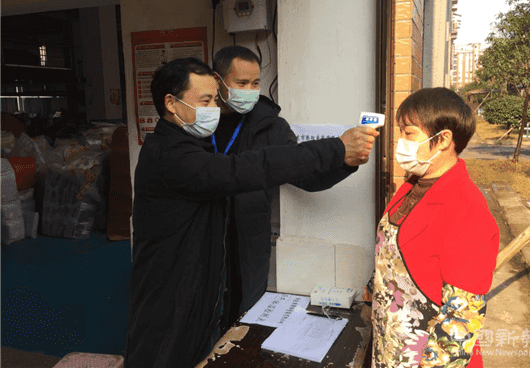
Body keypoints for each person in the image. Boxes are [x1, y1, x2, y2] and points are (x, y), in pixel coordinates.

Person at [124, 57, 379, 368]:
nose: (214, 108)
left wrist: (343, 160)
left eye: (214, 100)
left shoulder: (213, 137)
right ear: (171, 103)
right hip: (173, 292)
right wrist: (335, 148)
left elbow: (288, 170)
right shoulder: (171, 155)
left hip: (218, 275)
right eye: (205, 100)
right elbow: (243, 170)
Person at [211, 45, 372, 331]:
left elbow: (306, 176)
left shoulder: (271, 127)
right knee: (205, 316)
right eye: (242, 83)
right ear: (218, 81)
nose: (250, 91)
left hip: (250, 243)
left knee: (246, 320)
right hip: (206, 240)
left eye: (256, 83)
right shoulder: (200, 123)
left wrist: (345, 163)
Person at [364, 87, 499, 368]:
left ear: (443, 140)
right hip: (389, 343)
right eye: (401, 132)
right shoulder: (414, 184)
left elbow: (461, 318)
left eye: (409, 133)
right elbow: (395, 249)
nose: (401, 142)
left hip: (424, 357)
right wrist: (374, 286)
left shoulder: (467, 209)